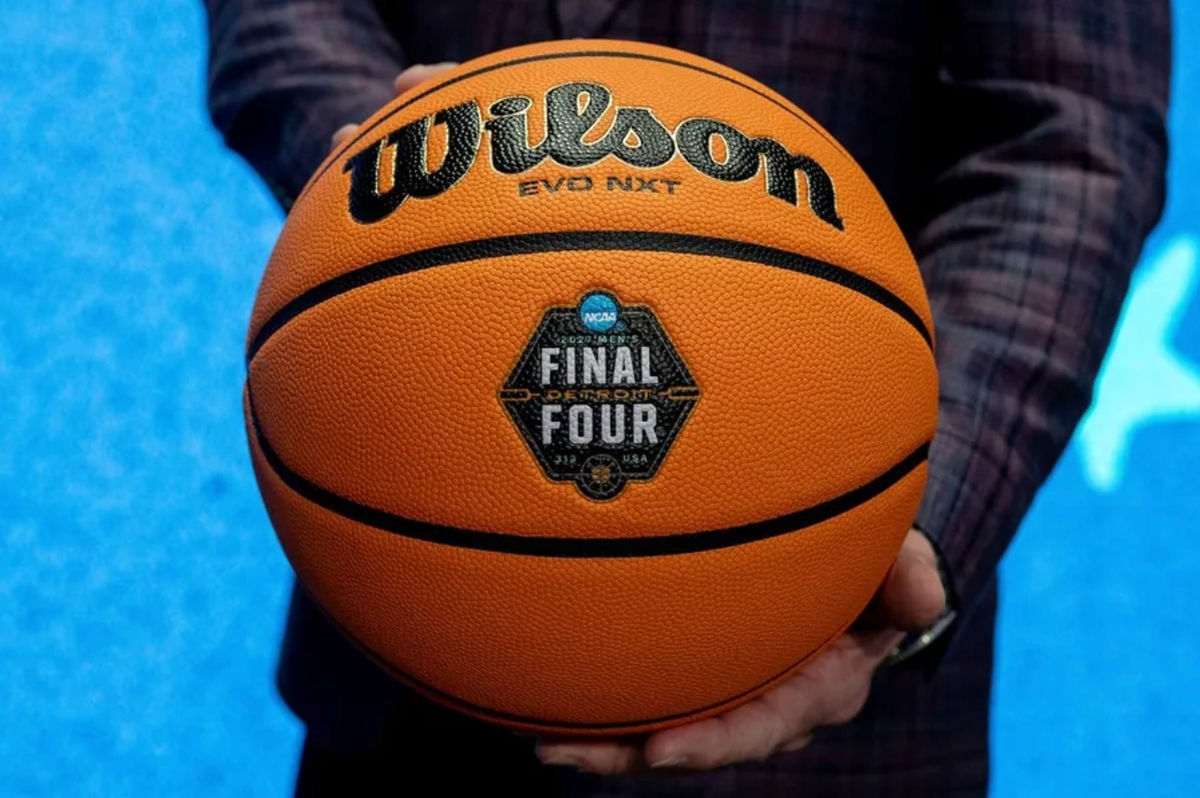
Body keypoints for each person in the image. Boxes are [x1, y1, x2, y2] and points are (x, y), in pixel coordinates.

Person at [204, 2, 1170, 795]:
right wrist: (421, 172)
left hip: (830, 679)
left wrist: (902, 516)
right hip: (408, 667)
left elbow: (1066, 140)